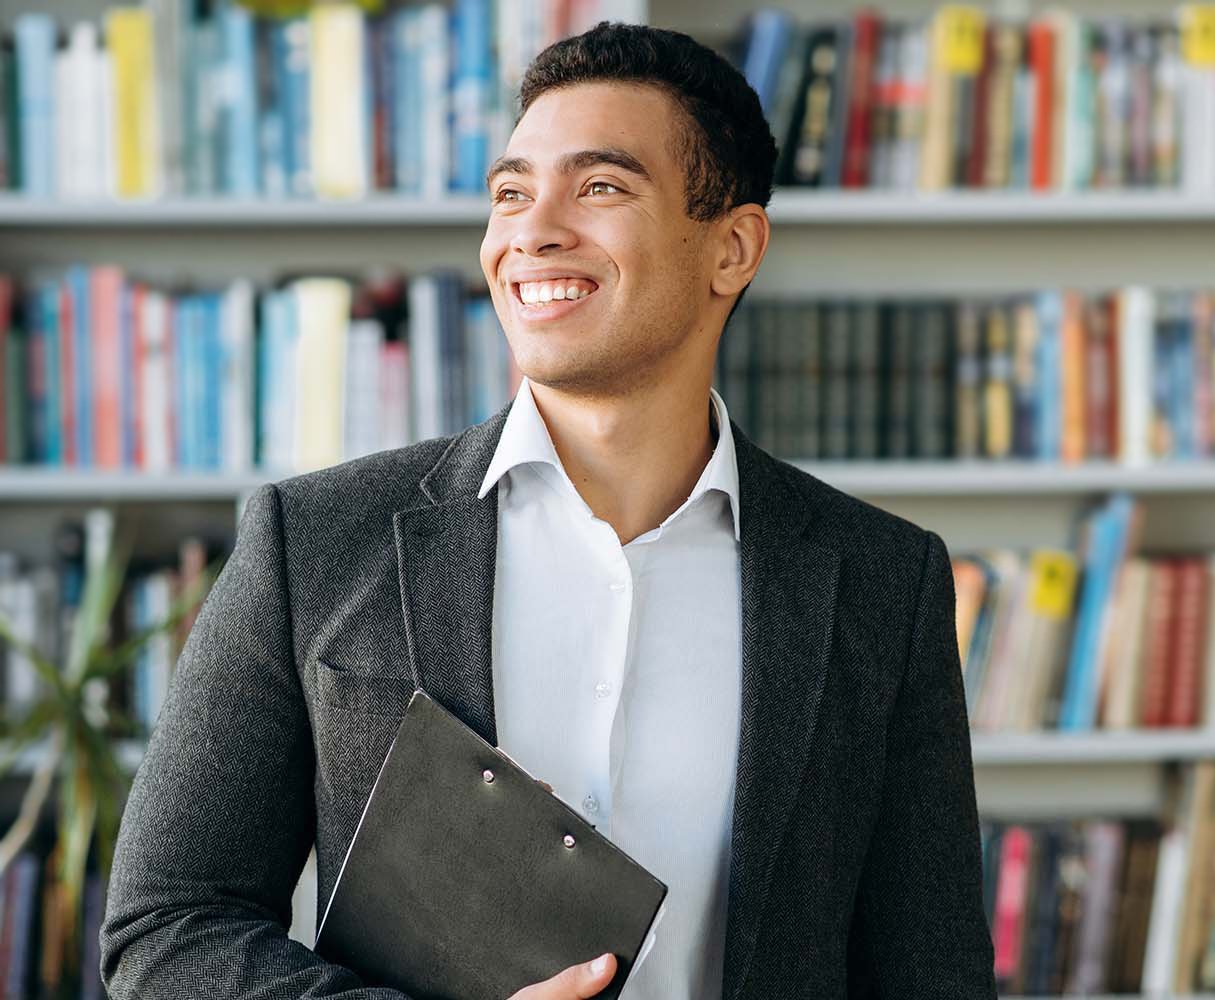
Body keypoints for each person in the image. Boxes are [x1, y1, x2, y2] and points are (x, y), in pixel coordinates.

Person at [100, 21, 994, 1000]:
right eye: (511, 193)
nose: (531, 230)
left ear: (732, 248)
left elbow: (931, 969)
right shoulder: (312, 542)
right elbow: (167, 927)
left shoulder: (879, 580)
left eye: (601, 187)